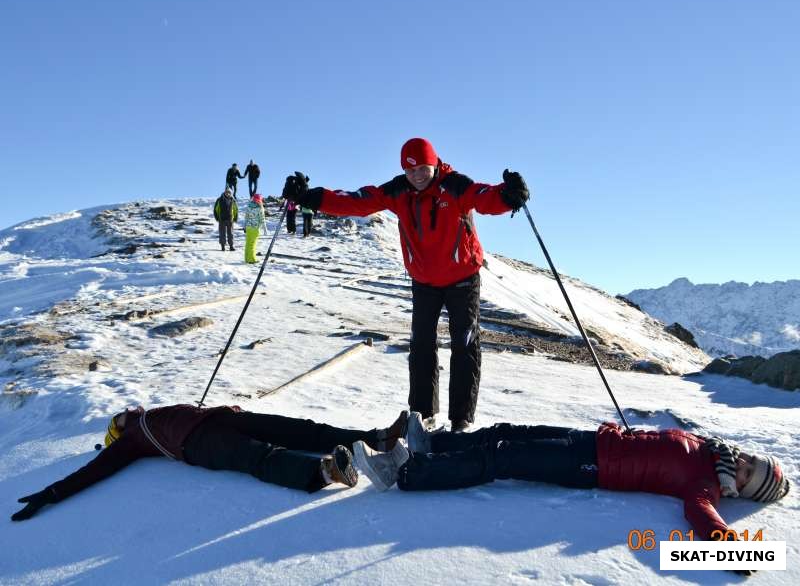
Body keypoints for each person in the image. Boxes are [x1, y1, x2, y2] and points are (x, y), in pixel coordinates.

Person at [282, 138, 529, 432]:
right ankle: (422, 416)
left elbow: (484, 196)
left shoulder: (455, 185)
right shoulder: (398, 191)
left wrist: (507, 195)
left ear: (434, 163)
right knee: (422, 345)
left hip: (463, 278)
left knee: (464, 346)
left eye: (423, 168)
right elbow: (357, 201)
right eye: (410, 171)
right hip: (424, 281)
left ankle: (461, 421)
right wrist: (312, 197)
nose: (417, 176)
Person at [354, 413, 791, 544]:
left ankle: (407, 472)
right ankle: (436, 445)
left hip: (596, 470)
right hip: (597, 440)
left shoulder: (707, 487)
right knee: (508, 430)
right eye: (754, 462)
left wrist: (731, 550)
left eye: (753, 476)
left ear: (745, 489)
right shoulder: (713, 448)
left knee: (505, 459)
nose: (746, 466)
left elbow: (701, 516)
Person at [11, 404, 409, 521]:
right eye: (115, 419)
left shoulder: (150, 412)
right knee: (258, 458)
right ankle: (326, 471)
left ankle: (375, 438)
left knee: (297, 427)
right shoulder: (131, 440)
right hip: (196, 445)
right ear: (115, 432)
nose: (122, 412)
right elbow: (93, 470)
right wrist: (53, 492)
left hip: (220, 418)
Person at [213, 187, 238, 252]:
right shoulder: (219, 199)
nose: (228, 193)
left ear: (231, 193)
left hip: (230, 219)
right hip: (222, 219)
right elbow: (216, 209)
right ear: (224, 192)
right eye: (227, 192)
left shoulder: (232, 200)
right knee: (222, 233)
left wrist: (235, 217)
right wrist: (217, 217)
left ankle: (231, 246)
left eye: (229, 192)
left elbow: (235, 209)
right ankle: (223, 246)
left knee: (230, 233)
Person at [244, 194, 266, 263]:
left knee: (248, 243)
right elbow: (262, 219)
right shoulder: (260, 208)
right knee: (253, 243)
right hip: (255, 228)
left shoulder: (249, 206)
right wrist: (265, 228)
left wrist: (245, 226)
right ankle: (252, 259)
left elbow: (246, 217)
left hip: (248, 227)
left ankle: (247, 258)